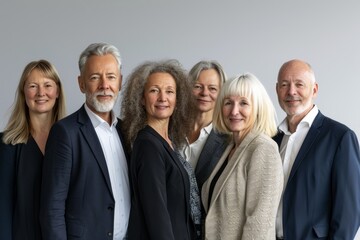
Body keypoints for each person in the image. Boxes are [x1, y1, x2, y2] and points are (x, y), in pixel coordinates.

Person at [40, 43, 131, 240]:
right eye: (95, 77)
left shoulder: (127, 131)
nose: (104, 85)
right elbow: (52, 208)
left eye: (111, 77)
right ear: (81, 83)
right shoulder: (65, 132)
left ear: (120, 82)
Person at [274, 59, 360, 239]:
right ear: (277, 90)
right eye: (284, 85)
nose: (291, 91)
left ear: (314, 90)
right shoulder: (273, 140)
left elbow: (349, 214)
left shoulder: (340, 137)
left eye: (299, 84)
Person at [121, 59, 198, 239]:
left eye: (169, 91)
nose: (163, 98)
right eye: (154, 91)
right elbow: (156, 215)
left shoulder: (169, 143)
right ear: (141, 98)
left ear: (178, 100)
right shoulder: (148, 145)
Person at [202, 73, 283, 240]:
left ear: (258, 108)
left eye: (244, 103)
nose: (234, 111)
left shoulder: (263, 148)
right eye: (228, 103)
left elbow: (260, 224)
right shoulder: (231, 147)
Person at [0, 60, 66, 240]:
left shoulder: (72, 141)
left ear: (57, 91)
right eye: (33, 86)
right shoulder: (7, 144)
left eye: (47, 85)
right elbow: (3, 209)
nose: (41, 93)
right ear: (23, 92)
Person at [181, 60, 229, 191]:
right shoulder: (171, 130)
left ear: (222, 93)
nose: (204, 93)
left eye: (212, 88)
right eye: (197, 86)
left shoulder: (229, 139)